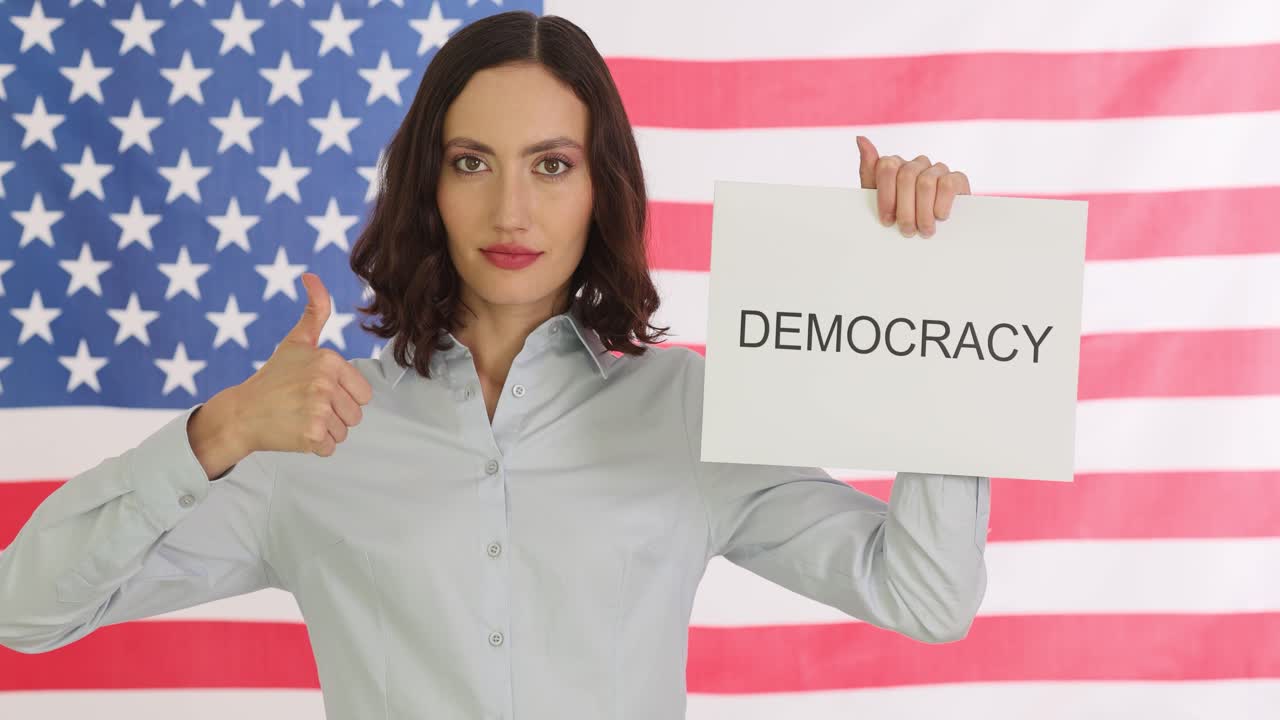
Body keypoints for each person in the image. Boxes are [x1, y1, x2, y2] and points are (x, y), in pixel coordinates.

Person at [0, 10, 990, 718]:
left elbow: (921, 596)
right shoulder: (311, 432)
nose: (509, 211)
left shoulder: (689, 411)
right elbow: (26, 614)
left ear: (599, 189)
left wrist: (927, 298)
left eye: (550, 166)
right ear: (427, 186)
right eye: (471, 162)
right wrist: (214, 435)